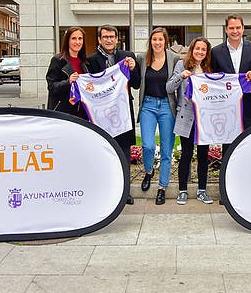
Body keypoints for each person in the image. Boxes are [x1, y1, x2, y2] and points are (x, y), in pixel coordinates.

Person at [211, 14, 251, 205]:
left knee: (250, 146)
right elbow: (212, 77)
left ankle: (250, 189)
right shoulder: (216, 51)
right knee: (228, 148)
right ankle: (226, 191)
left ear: (243, 29)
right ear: (226, 29)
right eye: (231, 28)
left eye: (238, 28)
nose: (235, 31)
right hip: (226, 108)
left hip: (250, 106)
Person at [86, 25, 140, 205]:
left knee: (124, 152)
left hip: (122, 112)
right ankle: (106, 191)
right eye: (105, 37)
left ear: (117, 39)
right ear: (100, 39)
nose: (109, 40)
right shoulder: (90, 60)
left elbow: (137, 84)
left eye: (112, 36)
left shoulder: (127, 57)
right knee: (104, 151)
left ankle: (125, 192)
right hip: (101, 114)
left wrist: (133, 69)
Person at [166, 37, 214, 205]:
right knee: (186, 154)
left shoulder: (209, 68)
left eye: (203, 49)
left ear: (207, 52)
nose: (200, 52)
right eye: (197, 48)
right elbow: (169, 87)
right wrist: (181, 76)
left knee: (203, 154)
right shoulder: (182, 65)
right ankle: (182, 190)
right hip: (186, 115)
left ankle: (202, 190)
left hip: (204, 117)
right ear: (192, 49)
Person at [136, 27, 179, 205]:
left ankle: (162, 187)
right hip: (148, 105)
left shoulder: (174, 59)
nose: (157, 43)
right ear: (150, 41)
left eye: (160, 40)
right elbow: (133, 77)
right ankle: (148, 171)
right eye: (154, 40)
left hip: (167, 106)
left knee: (167, 149)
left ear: (165, 41)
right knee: (147, 145)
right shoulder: (141, 58)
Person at [46, 27, 88, 118]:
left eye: (80, 38)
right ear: (67, 41)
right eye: (73, 38)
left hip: (82, 112)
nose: (77, 42)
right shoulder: (57, 60)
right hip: (63, 112)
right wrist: (68, 81)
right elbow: (51, 87)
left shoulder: (85, 62)